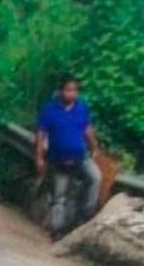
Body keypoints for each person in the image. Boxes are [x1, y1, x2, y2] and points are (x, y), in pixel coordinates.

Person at [35, 74, 102, 241]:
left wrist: (94, 147)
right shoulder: (49, 110)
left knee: (95, 178)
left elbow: (87, 128)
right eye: (68, 90)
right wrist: (39, 157)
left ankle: (84, 216)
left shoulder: (81, 108)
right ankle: (57, 231)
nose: (72, 94)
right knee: (59, 196)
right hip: (58, 159)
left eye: (74, 90)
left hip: (80, 157)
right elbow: (40, 134)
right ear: (60, 91)